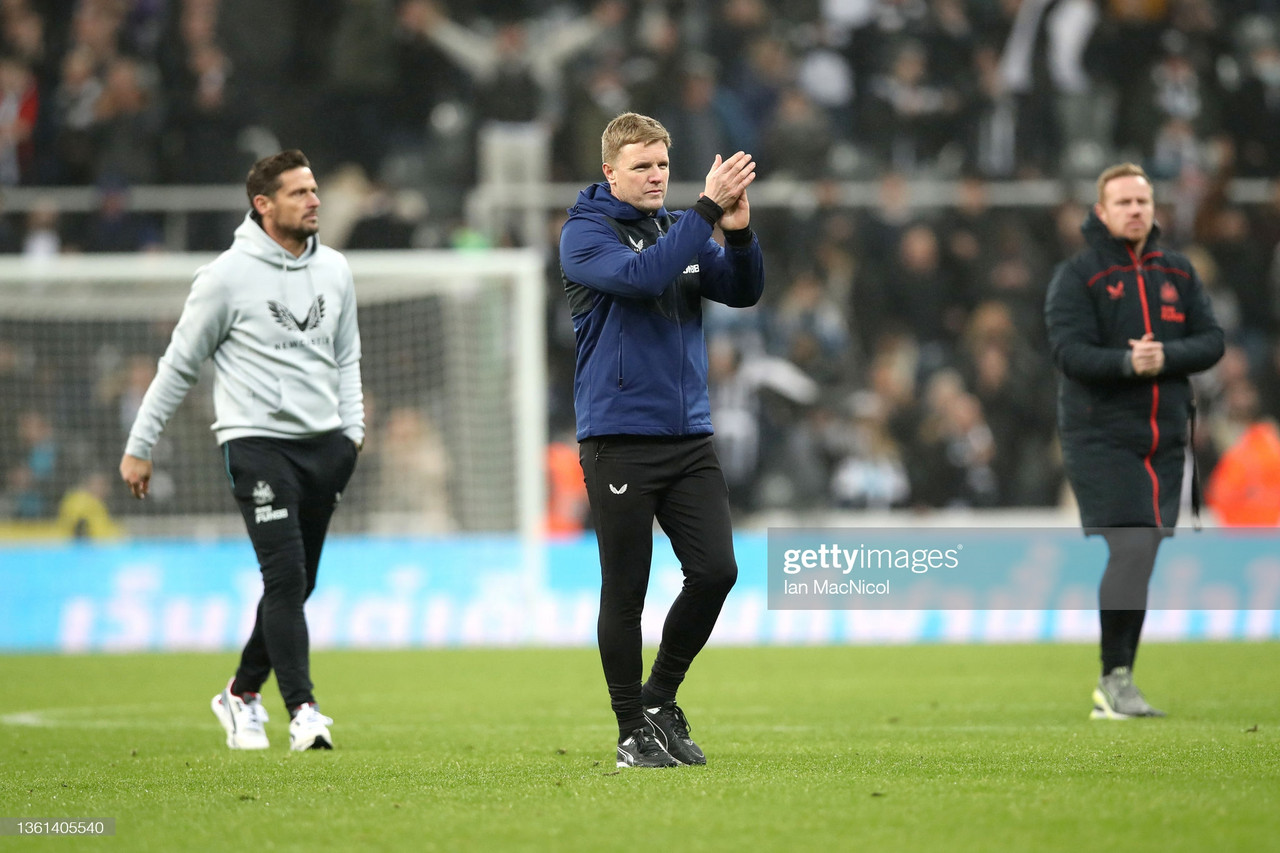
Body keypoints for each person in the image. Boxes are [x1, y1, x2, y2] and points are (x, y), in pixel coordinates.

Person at [119, 150, 364, 751]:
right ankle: (303, 710)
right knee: (284, 577)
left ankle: (241, 692)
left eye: (314, 190)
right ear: (264, 205)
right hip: (255, 444)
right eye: (300, 193)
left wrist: (351, 435)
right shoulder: (225, 278)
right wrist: (139, 445)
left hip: (325, 445)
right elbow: (178, 366)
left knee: (298, 583)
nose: (315, 200)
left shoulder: (334, 269)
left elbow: (348, 358)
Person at [560, 112, 763, 767]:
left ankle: (659, 696)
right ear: (610, 171)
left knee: (717, 570)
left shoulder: (679, 229)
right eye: (642, 166)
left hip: (688, 436)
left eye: (663, 166)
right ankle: (630, 730)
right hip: (619, 438)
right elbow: (644, 279)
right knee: (627, 587)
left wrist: (739, 233)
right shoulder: (583, 235)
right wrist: (705, 209)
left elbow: (742, 289)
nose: (656, 177)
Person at [1045, 163, 1223, 720]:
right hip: (1101, 436)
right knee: (1133, 546)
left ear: (1154, 209)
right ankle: (1113, 677)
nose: (1135, 210)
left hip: (1164, 439)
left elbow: (1212, 341)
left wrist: (1164, 356)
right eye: (1123, 202)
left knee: (1141, 554)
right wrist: (1128, 362)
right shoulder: (1079, 277)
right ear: (1101, 212)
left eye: (1142, 201)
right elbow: (1068, 354)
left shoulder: (1179, 272)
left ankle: (1119, 677)